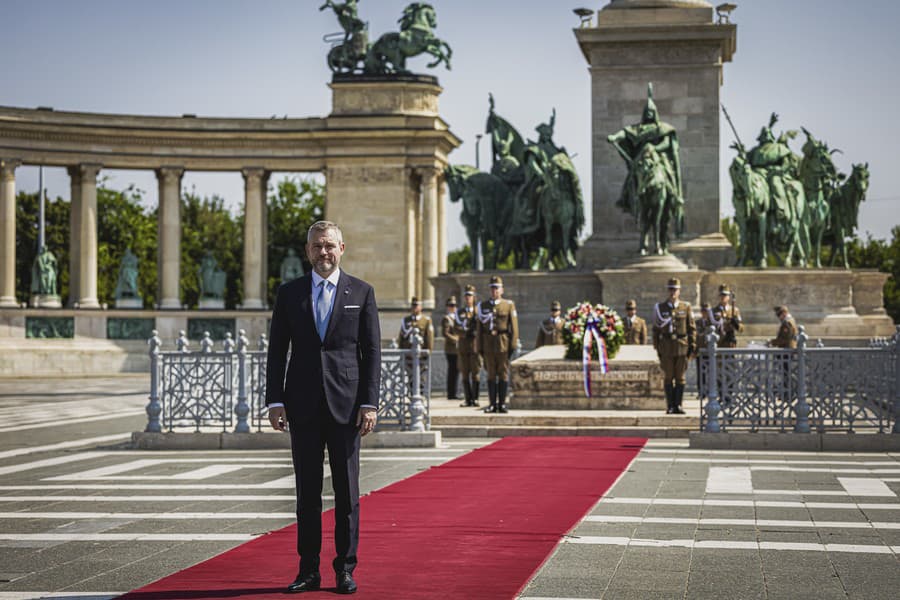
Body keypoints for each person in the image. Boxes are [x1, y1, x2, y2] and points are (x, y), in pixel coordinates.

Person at [265, 220, 381, 595]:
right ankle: (308, 570)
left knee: (347, 495)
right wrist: (275, 399)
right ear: (308, 250)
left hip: (348, 409)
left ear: (342, 248)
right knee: (307, 495)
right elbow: (277, 350)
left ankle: (345, 569)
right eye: (317, 247)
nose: (323, 253)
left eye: (329, 246)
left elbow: (372, 352)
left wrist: (369, 402)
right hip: (302, 406)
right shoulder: (289, 293)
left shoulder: (361, 292)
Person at [652, 278, 696, 415]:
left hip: (682, 346)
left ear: (679, 291)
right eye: (670, 289)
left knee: (680, 377)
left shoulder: (686, 307)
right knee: (668, 377)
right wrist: (657, 347)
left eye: (675, 289)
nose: (673, 292)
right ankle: (670, 406)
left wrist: (692, 344)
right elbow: (656, 330)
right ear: (668, 290)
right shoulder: (661, 308)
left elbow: (691, 328)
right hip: (666, 347)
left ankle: (679, 405)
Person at [477, 276, 519, 413]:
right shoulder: (483, 306)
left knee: (503, 374)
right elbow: (479, 329)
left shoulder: (508, 305)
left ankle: (501, 404)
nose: (494, 291)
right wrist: (480, 347)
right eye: (492, 288)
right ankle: (491, 404)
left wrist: (512, 346)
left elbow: (514, 327)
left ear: (502, 290)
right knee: (490, 374)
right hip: (488, 344)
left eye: (497, 288)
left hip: (503, 343)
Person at [454, 284, 481, 407]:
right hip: (463, 346)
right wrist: (466, 332)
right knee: (465, 373)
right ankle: (467, 398)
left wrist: (469, 331)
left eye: (470, 296)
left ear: (474, 297)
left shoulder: (477, 311)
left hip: (474, 345)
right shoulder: (459, 312)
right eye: (466, 296)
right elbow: (456, 328)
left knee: (475, 373)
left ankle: (475, 398)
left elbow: (478, 328)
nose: (467, 298)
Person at [441, 296, 460, 400]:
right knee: (452, 371)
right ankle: (451, 393)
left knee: (457, 371)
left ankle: (455, 392)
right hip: (451, 349)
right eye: (451, 306)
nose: (453, 307)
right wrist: (455, 339)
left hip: (458, 349)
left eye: (454, 305)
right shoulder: (447, 318)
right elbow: (445, 333)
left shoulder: (457, 317)